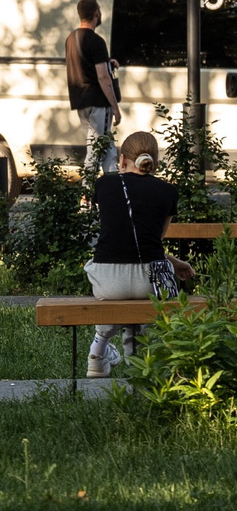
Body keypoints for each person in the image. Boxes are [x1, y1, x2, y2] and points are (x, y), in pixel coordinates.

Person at [85, 128, 191, 378]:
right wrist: (174, 262)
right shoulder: (168, 191)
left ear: (122, 159)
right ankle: (139, 366)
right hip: (150, 283)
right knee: (146, 301)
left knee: (117, 292)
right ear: (154, 162)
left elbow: (122, 236)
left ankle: (98, 350)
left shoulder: (104, 184)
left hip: (108, 282)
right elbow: (152, 240)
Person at [66, 0, 121, 176]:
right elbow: (103, 77)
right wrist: (115, 107)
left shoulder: (71, 39)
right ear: (96, 12)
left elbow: (85, 64)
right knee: (97, 148)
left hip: (80, 101)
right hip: (98, 101)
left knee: (105, 146)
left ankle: (112, 185)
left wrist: (107, 61)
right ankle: (87, 193)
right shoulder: (97, 41)